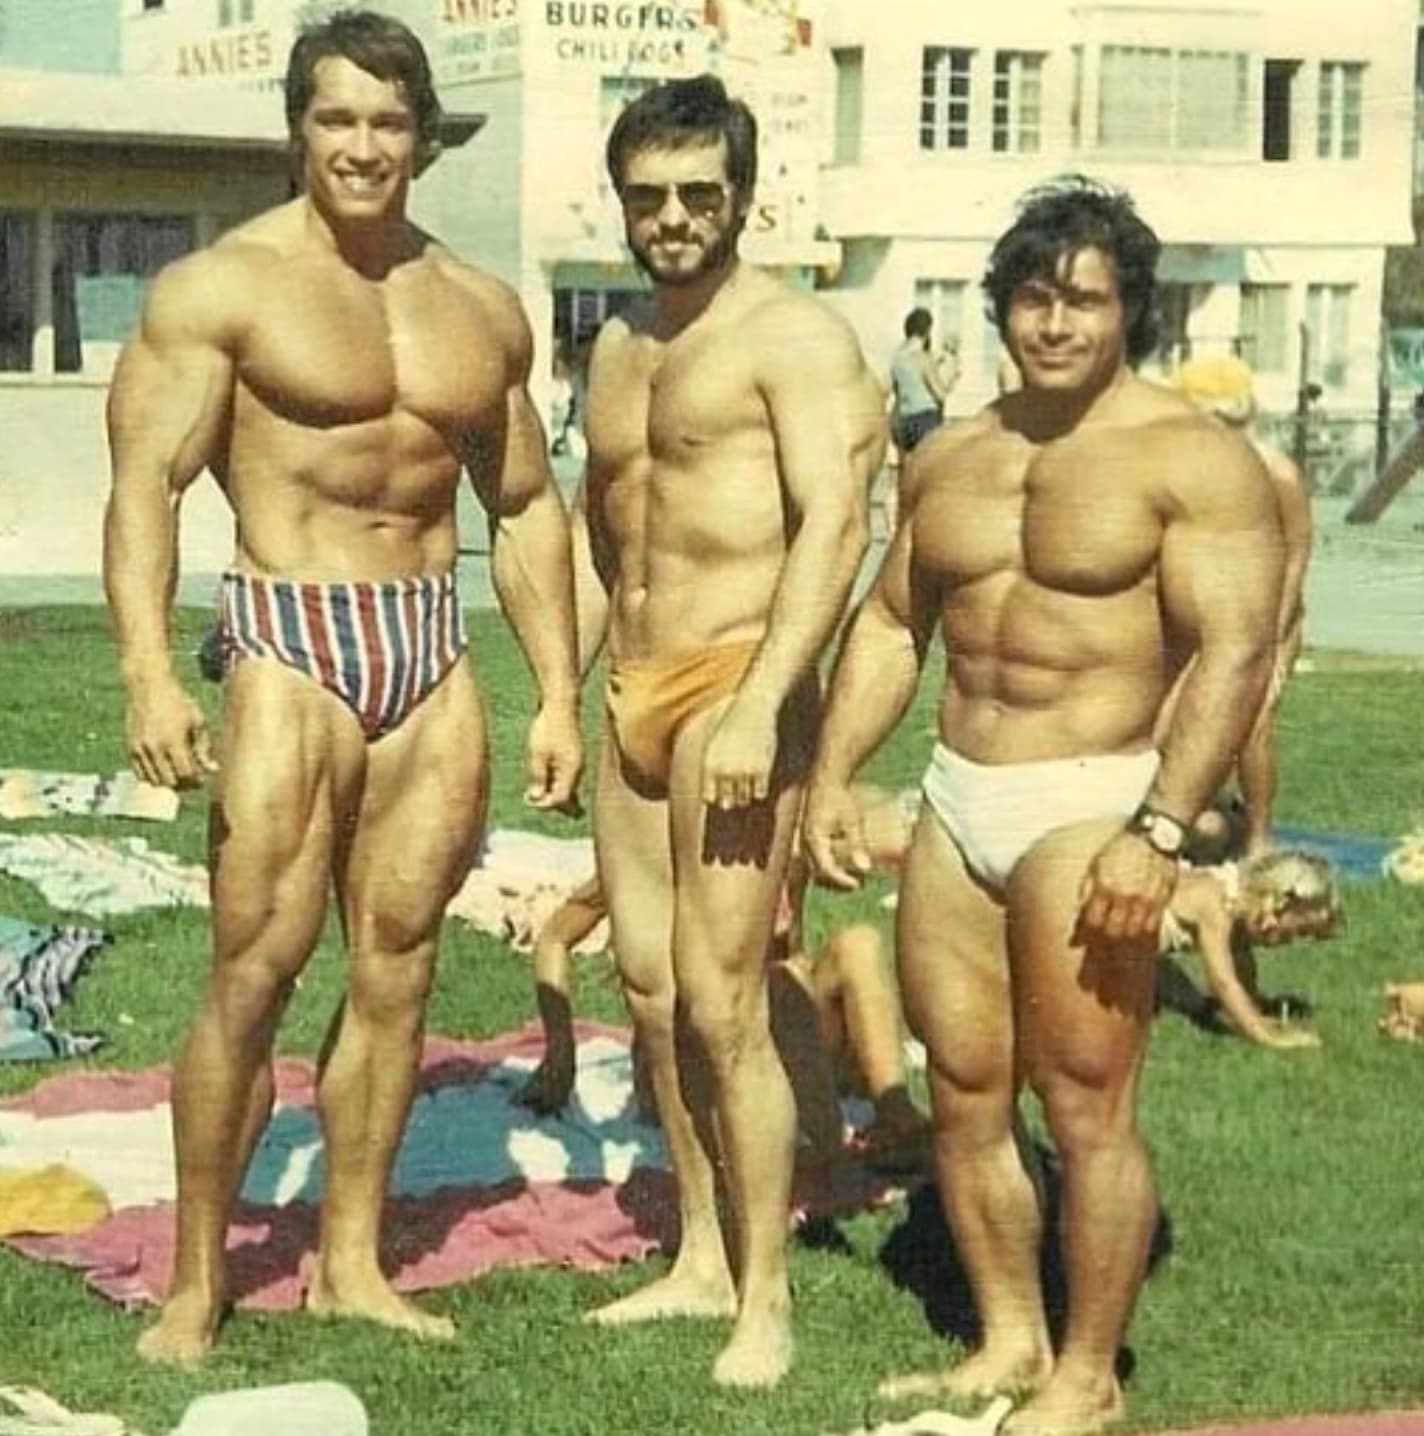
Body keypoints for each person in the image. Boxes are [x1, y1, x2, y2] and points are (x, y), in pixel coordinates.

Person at [103, 9, 582, 1365]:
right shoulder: (225, 290)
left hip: (428, 645)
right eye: (336, 118)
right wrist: (148, 670)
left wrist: (555, 689)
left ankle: (352, 1263)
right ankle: (200, 1279)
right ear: (298, 128)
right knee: (253, 969)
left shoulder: (481, 307)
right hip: (288, 641)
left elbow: (530, 506)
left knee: (400, 971)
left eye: (386, 121)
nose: (361, 145)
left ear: (422, 135)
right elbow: (147, 484)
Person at [803, 176, 1282, 1434]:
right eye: (1031, 297)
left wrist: (1162, 830)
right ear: (1000, 305)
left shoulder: (1190, 457)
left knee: (1082, 1101)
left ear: (1129, 307)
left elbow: (1236, 652)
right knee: (962, 1090)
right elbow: (896, 621)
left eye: (1083, 299)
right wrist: (838, 769)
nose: (1054, 323)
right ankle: (1007, 1337)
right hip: (959, 799)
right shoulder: (952, 453)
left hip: (1097, 799)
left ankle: (1088, 1371)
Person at [580, 73, 887, 1387]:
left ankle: (766, 1300)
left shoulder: (795, 338)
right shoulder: (615, 346)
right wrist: (576, 681)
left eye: (701, 192)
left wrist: (767, 700)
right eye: (649, 196)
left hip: (736, 682)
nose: (674, 216)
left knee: (722, 1002)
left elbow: (841, 522)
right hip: (634, 687)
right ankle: (697, 1256)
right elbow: (610, 526)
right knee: (649, 994)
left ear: (745, 197)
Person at [515, 786, 930, 1175]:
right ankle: (818, 1155)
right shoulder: (662, 853)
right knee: (778, 983)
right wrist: (560, 1055)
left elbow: (884, 826)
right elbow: (554, 938)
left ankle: (896, 1118)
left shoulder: (786, 836)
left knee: (856, 946)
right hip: (697, 1050)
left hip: (782, 1036)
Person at [1170, 355, 1313, 854]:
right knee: (1181, 714)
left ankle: (1259, 839)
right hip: (1210, 619)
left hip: (1271, 617)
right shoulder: (1184, 475)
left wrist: (1273, 640)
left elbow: (1296, 557)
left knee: (1251, 719)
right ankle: (1203, 811)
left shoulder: (1276, 472)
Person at [1156, 848, 1341, 1051]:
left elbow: (1240, 955)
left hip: (1145, 956)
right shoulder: (1215, 902)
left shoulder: (1240, 905)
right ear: (1281, 903)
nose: (1291, 941)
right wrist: (1266, 1035)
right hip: (1124, 948)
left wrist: (1253, 1008)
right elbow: (1222, 980)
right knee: (1188, 1006)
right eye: (1299, 931)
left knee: (1194, 1004)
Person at [890, 307, 951, 458]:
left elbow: (898, 392)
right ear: (927, 330)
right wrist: (952, 377)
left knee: (907, 469)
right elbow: (940, 394)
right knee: (928, 470)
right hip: (925, 420)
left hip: (904, 420)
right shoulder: (923, 358)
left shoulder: (897, 358)